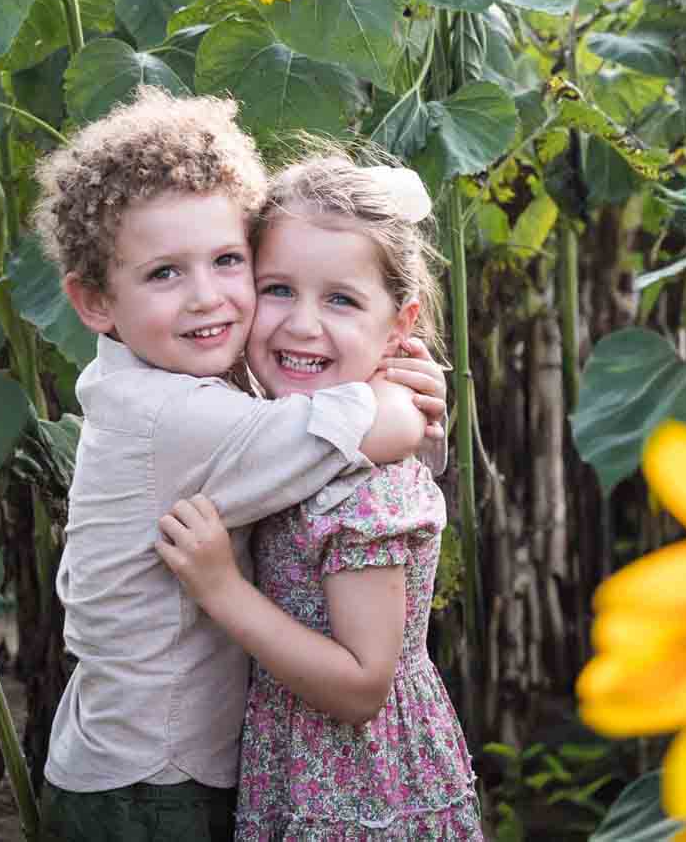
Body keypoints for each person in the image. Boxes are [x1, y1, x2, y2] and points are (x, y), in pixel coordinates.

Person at [33, 88, 448, 841]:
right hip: (156, 781)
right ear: (94, 301)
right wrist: (406, 400)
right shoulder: (175, 415)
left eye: (229, 261)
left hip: (140, 759)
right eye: (165, 273)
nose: (206, 299)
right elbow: (348, 428)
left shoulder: (160, 383)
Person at [156, 150, 482, 840]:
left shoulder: (361, 487)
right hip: (301, 768)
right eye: (278, 289)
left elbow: (363, 686)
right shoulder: (283, 429)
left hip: (360, 789)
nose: (302, 324)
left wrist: (222, 590)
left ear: (401, 322)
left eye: (340, 298)